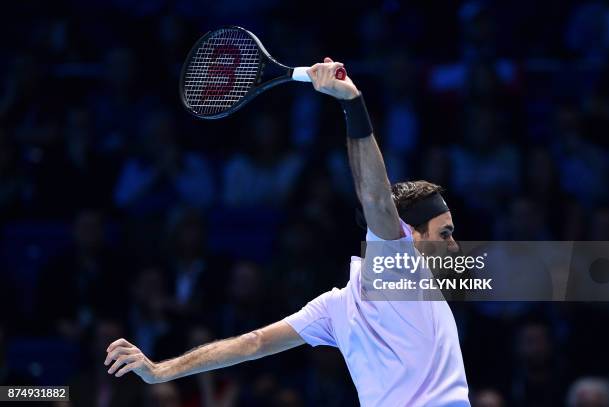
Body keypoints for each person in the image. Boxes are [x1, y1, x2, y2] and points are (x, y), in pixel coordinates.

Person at [105, 58, 470, 406]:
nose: (453, 247)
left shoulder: (339, 306)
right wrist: (352, 103)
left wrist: (161, 370)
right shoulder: (394, 269)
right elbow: (375, 196)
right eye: (445, 233)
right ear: (410, 234)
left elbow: (253, 344)